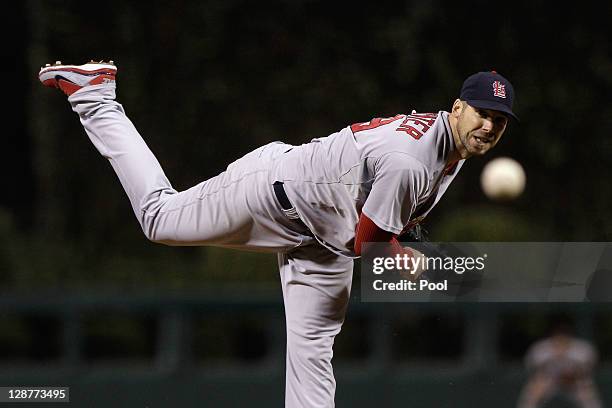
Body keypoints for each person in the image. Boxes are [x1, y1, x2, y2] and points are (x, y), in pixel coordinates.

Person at [38, 60, 517, 408]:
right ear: (458, 108)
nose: (489, 124)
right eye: (481, 112)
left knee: (312, 359)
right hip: (272, 195)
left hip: (324, 239)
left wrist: (411, 248)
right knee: (158, 219)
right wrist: (410, 261)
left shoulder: (447, 147)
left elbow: (379, 223)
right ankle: (94, 96)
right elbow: (370, 243)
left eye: (498, 120)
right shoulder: (413, 161)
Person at [517, 315, 602, 408]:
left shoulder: (582, 348)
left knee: (589, 396)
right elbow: (533, 368)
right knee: (531, 393)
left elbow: (589, 368)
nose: (562, 335)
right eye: (559, 332)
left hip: (575, 382)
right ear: (553, 333)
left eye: (564, 332)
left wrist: (573, 375)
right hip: (549, 380)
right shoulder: (541, 348)